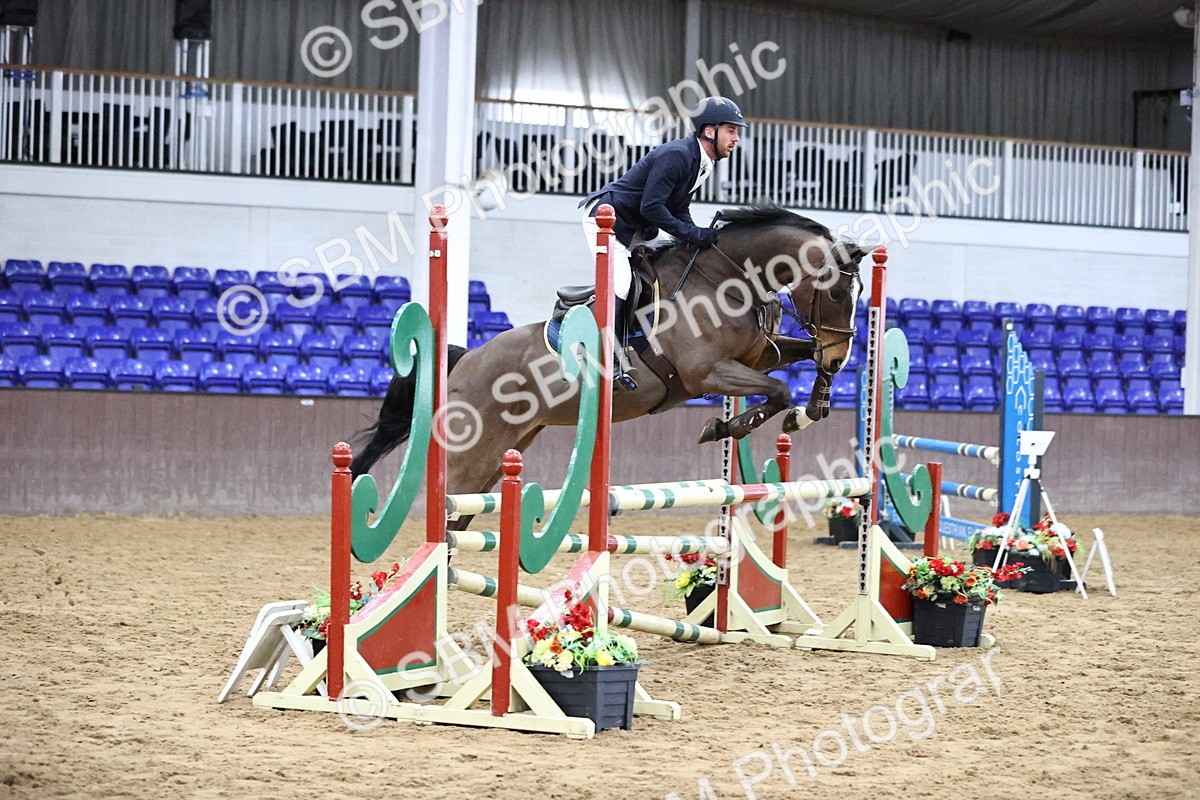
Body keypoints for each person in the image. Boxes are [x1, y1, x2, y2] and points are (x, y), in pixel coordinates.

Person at [579, 96, 748, 389]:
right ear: (710, 131)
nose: (736, 138)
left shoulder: (702, 163)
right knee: (621, 284)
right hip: (607, 223)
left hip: (636, 228)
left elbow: (678, 208)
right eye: (731, 130)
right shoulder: (677, 156)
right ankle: (607, 358)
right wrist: (692, 235)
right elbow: (652, 207)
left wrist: (696, 236)